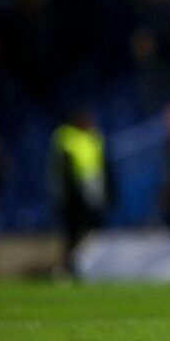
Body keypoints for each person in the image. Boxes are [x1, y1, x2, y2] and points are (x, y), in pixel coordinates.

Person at [48, 108, 116, 274]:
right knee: (74, 234)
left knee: (92, 234)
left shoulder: (95, 139)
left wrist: (108, 191)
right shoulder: (67, 139)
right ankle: (69, 267)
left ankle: (92, 267)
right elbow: (63, 172)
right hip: (74, 197)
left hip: (93, 195)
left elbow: (104, 167)